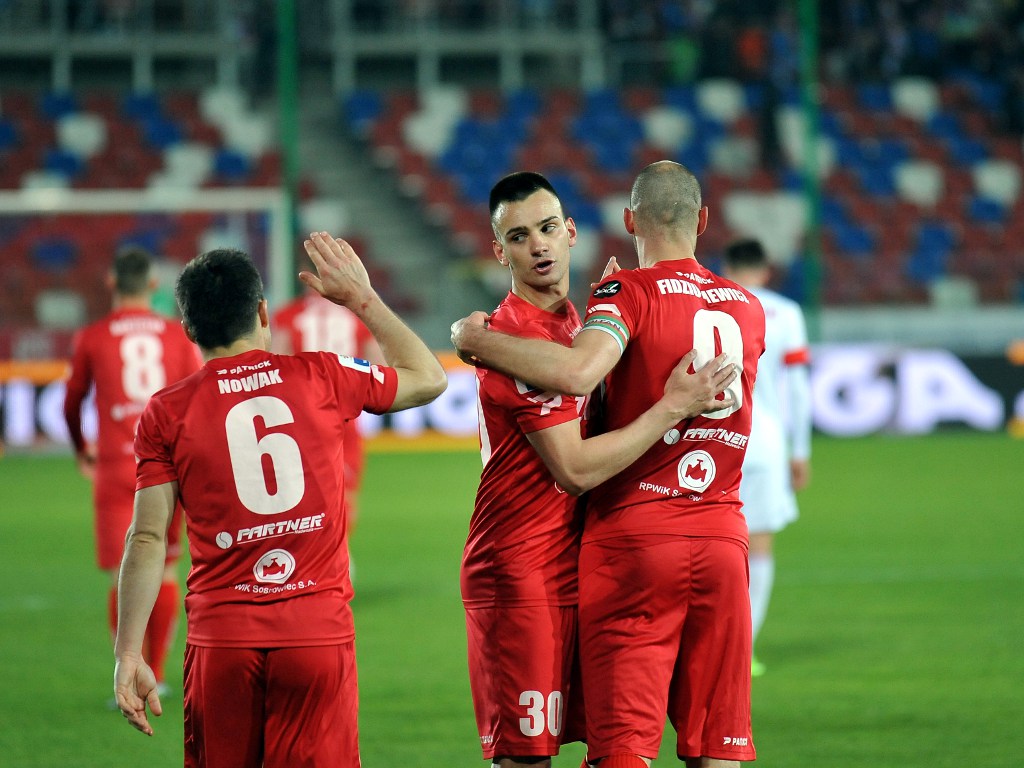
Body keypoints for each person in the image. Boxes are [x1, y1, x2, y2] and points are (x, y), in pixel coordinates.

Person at [452, 160, 766, 768]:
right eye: (519, 236)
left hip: (598, 556)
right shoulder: (518, 338)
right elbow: (573, 467)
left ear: (581, 230)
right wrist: (480, 338)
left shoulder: (589, 316)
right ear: (498, 251)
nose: (538, 246)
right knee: (530, 759)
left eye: (547, 228)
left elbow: (590, 373)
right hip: (526, 571)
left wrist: (618, 306)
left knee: (621, 745)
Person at [113, 235, 447, 768]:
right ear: (263, 312)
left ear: (189, 329)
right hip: (315, 635)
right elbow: (429, 379)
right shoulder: (323, 375)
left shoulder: (166, 412)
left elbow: (149, 537)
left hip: (222, 641)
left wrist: (130, 653)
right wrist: (363, 299)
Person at [63, 246, 202, 699]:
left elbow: (71, 402)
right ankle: (155, 675)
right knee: (165, 568)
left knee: (120, 574)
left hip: (115, 465)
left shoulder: (92, 336)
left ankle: (126, 672)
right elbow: (195, 397)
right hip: (166, 465)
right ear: (154, 285)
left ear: (111, 282)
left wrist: (82, 449)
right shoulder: (176, 335)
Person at [722, 238, 811, 677]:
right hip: (767, 441)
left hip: (716, 440)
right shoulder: (786, 313)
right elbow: (798, 389)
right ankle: (744, 648)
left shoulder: (709, 302)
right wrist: (802, 451)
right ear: (765, 270)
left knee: (714, 543)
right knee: (759, 546)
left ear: (727, 267)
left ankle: (707, 644)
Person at [272, 282, 384, 538]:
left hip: (302, 415)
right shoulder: (358, 314)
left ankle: (312, 552)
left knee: (303, 493)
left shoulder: (289, 314)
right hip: (345, 413)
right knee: (346, 492)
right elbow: (378, 366)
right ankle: (339, 550)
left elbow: (278, 364)